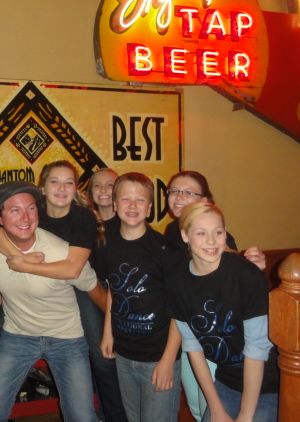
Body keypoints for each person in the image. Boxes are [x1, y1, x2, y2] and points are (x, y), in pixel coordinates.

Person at [0, 160, 127, 421]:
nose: (25, 217)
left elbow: (75, 270)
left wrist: (25, 265)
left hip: (75, 291)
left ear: (76, 189)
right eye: (54, 182)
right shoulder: (27, 210)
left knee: (101, 358)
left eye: (69, 182)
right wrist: (16, 260)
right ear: (43, 188)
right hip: (21, 329)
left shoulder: (81, 218)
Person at [0, 181, 99, 422]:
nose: (25, 217)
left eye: (31, 208)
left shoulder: (62, 252)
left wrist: (111, 327)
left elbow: (96, 290)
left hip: (67, 338)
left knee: (82, 417)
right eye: (15, 210)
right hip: (17, 336)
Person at [164, 170, 266, 421]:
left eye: (188, 192)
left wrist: (250, 267)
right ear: (186, 235)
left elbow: (257, 347)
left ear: (206, 201)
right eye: (174, 191)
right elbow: (184, 308)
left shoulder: (237, 270)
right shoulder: (172, 236)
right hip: (203, 343)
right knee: (202, 409)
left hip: (236, 352)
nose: (179, 197)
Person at [98, 172, 182, 422]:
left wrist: (168, 360)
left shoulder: (165, 250)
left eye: (140, 200)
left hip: (158, 357)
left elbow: (179, 309)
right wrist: (107, 332)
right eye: (125, 199)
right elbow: (113, 289)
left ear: (150, 207)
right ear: (115, 204)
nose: (132, 205)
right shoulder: (107, 244)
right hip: (124, 355)